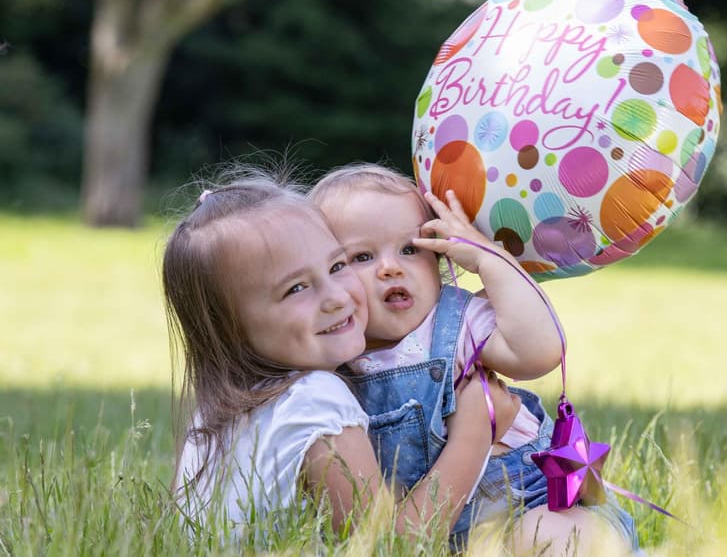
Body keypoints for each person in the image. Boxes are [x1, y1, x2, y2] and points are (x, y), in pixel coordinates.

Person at [166, 166, 520, 542]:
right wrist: (477, 429)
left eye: (338, 266)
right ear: (229, 327)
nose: (336, 297)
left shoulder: (213, 418)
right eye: (297, 288)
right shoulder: (316, 403)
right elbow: (392, 547)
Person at [309, 163, 638, 554]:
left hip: (538, 504)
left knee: (546, 538)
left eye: (411, 249)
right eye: (362, 257)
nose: (391, 267)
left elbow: (538, 352)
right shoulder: (331, 361)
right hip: (442, 533)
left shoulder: (456, 321)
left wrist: (488, 260)